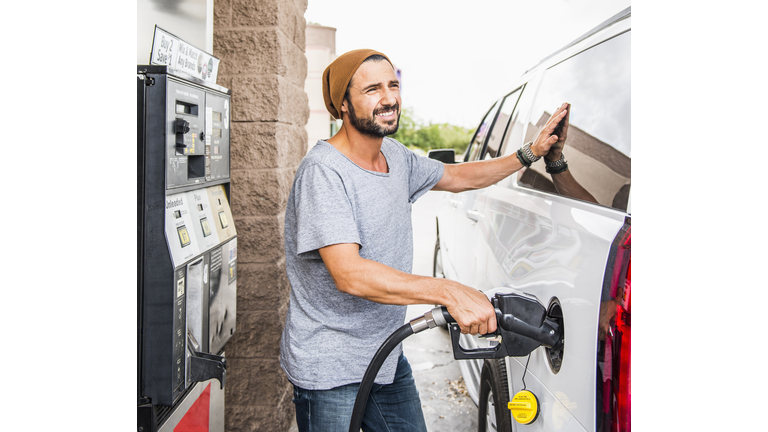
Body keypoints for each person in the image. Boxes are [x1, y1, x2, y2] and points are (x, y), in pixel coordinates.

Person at [279, 49, 572, 431]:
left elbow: (459, 176)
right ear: (343, 105)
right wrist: (448, 291)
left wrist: (530, 153)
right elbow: (349, 274)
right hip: (331, 367)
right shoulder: (324, 172)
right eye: (372, 89)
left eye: (393, 85)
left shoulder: (395, 158)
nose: (389, 98)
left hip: (385, 356)